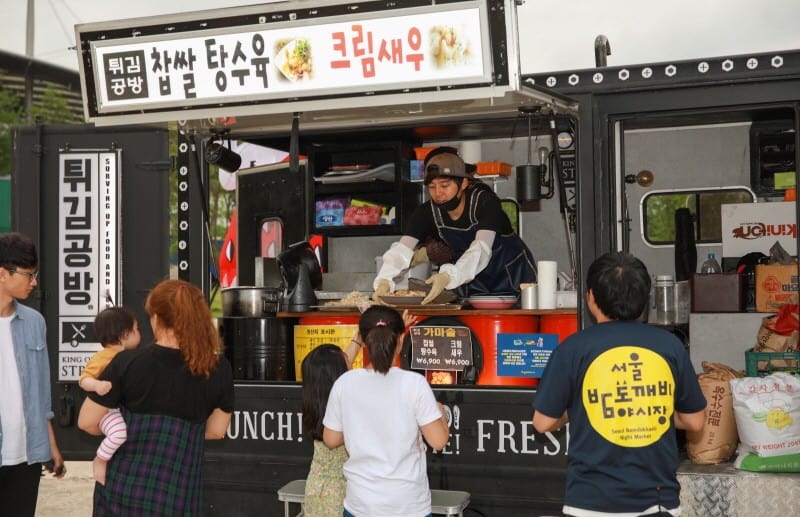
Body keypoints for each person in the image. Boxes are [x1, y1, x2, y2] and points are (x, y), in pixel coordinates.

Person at [532, 252, 706, 517]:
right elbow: (695, 422)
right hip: (657, 501)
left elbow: (542, 423)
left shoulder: (573, 348)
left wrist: (585, 410)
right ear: (644, 298)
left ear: (591, 297)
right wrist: (645, 411)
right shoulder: (670, 346)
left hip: (589, 502)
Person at [78, 279, 234, 515]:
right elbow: (217, 430)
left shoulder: (126, 362)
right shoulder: (218, 368)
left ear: (157, 319)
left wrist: (128, 429)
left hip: (122, 492)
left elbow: (87, 422)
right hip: (179, 493)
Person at [323, 305, 449, 517]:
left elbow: (331, 439)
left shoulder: (345, 383)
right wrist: (441, 413)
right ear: (400, 341)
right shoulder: (414, 384)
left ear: (362, 340)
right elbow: (438, 441)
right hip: (408, 506)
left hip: (360, 505)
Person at [373, 147, 536, 304]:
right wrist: (384, 279)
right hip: (472, 282)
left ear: (464, 183)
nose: (438, 193)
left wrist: (448, 276)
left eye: (444, 186)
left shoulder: (485, 202)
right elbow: (402, 249)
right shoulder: (426, 212)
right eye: (432, 187)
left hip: (514, 278)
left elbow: (481, 249)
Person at [0, 232, 66, 517]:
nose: (34, 282)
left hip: (26, 457)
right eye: (28, 275)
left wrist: (50, 447)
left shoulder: (34, 323)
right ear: (3, 273)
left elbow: (40, 392)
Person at [79, 306, 141, 486]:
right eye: (136, 329)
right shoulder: (103, 357)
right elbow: (84, 379)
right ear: (124, 334)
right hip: (107, 412)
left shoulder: (130, 356)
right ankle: (100, 459)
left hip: (118, 409)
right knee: (120, 433)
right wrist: (97, 385)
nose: (140, 333)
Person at [301, 344, 350, 517]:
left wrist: (360, 338)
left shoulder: (318, 403)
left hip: (316, 488)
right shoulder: (345, 409)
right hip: (339, 494)